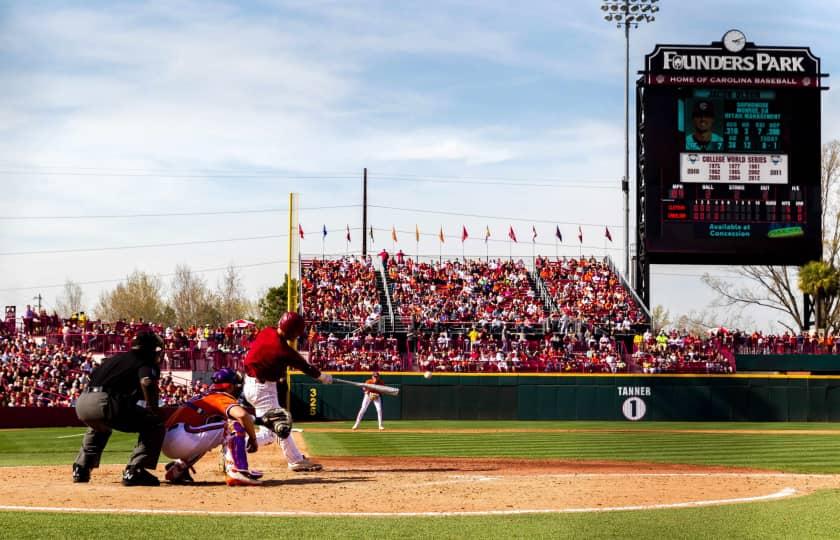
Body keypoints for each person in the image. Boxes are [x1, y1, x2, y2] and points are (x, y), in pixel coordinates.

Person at [72, 331, 166, 486]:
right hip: (105, 401)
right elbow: (147, 382)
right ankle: (135, 470)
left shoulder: (115, 359)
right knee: (154, 423)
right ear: (151, 349)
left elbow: (92, 377)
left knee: (100, 426)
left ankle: (81, 468)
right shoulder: (145, 360)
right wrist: (154, 409)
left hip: (82, 402)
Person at [242, 311, 333, 472]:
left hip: (251, 384)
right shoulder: (282, 351)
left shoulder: (267, 331)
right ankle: (295, 460)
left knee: (269, 433)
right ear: (291, 331)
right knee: (279, 426)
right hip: (262, 389)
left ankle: (235, 445)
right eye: (297, 332)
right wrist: (324, 377)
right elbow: (305, 367)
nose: (298, 336)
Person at [162, 368, 267, 486]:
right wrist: (253, 439)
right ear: (230, 387)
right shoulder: (221, 396)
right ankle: (236, 471)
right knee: (233, 423)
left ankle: (178, 469)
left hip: (168, 440)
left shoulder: (203, 395)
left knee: (210, 435)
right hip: (182, 437)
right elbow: (242, 415)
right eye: (237, 385)